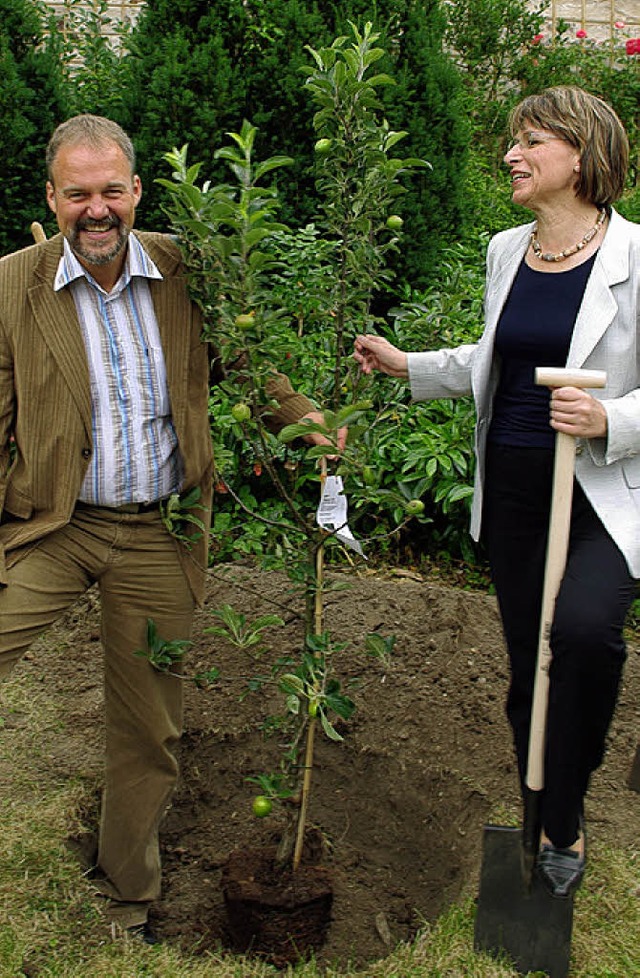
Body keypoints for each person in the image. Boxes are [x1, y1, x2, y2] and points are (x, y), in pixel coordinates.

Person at [0, 114, 338, 940]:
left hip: (158, 529)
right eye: (77, 194)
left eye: (112, 190)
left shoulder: (186, 270)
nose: (96, 209)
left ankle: (127, 896)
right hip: (53, 523)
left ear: (137, 190)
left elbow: (250, 366)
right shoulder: (12, 285)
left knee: (149, 726)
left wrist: (310, 424)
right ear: (52, 196)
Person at [354, 86, 639, 899]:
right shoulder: (507, 249)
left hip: (596, 496)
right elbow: (494, 357)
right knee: (528, 670)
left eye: (531, 141)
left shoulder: (637, 258)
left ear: (581, 155)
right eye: (512, 141)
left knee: (585, 639)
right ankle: (542, 812)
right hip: (516, 488)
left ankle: (568, 806)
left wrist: (609, 415)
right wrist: (410, 364)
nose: (511, 155)